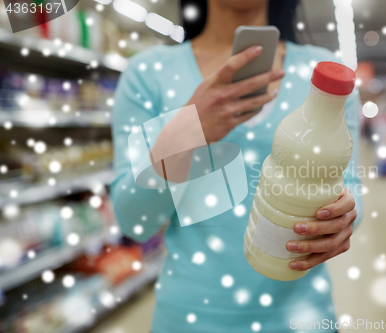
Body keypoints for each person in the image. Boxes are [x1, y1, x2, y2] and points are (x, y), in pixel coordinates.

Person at [111, 0, 363, 332]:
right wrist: (190, 126)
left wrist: (343, 216)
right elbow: (134, 220)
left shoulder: (324, 75)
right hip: (191, 319)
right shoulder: (148, 73)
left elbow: (351, 188)